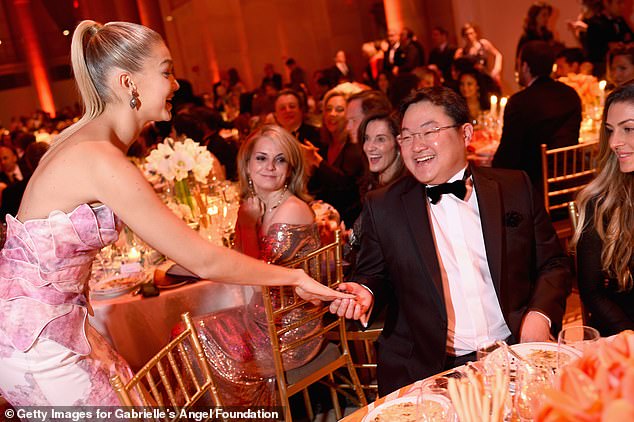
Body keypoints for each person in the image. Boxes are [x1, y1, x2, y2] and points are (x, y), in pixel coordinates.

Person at [0, 20, 351, 407]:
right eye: (167, 71)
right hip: (36, 342)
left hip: (50, 329)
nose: (176, 84)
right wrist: (294, 276)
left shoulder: (86, 145)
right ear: (128, 82)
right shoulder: (98, 158)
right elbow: (203, 259)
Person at [329, 87, 572, 396]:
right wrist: (364, 290)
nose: (417, 146)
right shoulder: (384, 206)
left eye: (429, 131)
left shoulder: (514, 187)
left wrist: (539, 316)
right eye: (406, 136)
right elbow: (373, 274)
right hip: (433, 370)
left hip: (514, 351)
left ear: (466, 133)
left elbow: (553, 263)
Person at [185, 125, 325, 406]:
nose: (270, 167)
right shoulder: (256, 204)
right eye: (261, 158)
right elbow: (236, 258)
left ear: (291, 168)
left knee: (198, 339)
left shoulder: (291, 210)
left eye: (280, 159)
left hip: (290, 330)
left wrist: (248, 225)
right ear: (247, 164)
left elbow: (257, 274)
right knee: (189, 332)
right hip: (263, 317)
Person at [571, 81, 634, 336]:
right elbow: (592, 291)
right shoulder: (600, 202)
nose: (614, 142)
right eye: (610, 130)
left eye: (628, 129)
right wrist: (628, 335)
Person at [493, 41, 582, 188]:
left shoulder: (519, 102)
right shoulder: (570, 95)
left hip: (535, 189)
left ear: (525, 66)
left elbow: (506, 158)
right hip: (571, 180)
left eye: (518, 63)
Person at [305, 86, 367, 227]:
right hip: (326, 221)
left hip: (351, 224)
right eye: (328, 109)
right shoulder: (322, 145)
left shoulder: (354, 145)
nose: (332, 114)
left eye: (339, 110)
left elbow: (344, 184)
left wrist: (316, 160)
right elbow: (317, 188)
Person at [585, 0, 634, 77]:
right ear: (606, 3)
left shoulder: (621, 21)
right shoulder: (595, 23)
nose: (622, 6)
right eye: (619, 3)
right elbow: (592, 52)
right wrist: (608, 47)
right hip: (603, 71)